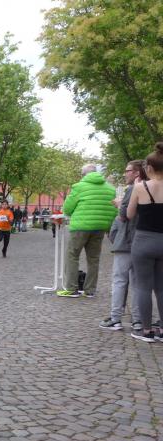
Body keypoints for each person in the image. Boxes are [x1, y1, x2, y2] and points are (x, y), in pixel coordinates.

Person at [56, 164, 117, 298]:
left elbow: (67, 209)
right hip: (100, 227)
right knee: (94, 259)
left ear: (84, 174)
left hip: (81, 226)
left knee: (72, 255)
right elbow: (113, 209)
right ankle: (90, 290)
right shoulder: (110, 189)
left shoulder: (79, 186)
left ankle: (72, 288)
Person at [100, 160, 145, 331]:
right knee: (138, 282)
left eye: (128, 171)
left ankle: (115, 318)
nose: (125, 173)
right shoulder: (153, 188)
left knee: (120, 280)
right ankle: (138, 320)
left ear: (137, 173)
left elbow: (125, 215)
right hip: (143, 241)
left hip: (127, 240)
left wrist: (120, 205)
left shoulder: (134, 189)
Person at [126, 143, 163, 342]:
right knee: (161, 287)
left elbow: (129, 214)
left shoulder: (140, 187)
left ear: (149, 168)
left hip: (144, 241)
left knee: (143, 287)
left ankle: (146, 330)